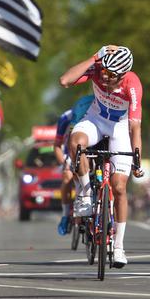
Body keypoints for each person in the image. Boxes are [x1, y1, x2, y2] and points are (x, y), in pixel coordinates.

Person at [59, 45, 144, 268]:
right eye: (103, 72)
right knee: (76, 142)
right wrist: (96, 56)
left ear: (123, 75)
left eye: (111, 76)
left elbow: (135, 127)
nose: (104, 78)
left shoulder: (132, 84)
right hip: (95, 119)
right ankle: (86, 193)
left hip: (120, 127)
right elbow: (65, 81)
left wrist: (137, 158)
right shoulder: (98, 68)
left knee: (119, 187)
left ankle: (118, 247)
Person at [53, 94, 95, 236]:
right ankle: (65, 215)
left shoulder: (99, 114)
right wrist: (65, 163)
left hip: (90, 147)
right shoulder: (65, 118)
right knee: (67, 176)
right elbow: (57, 146)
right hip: (68, 149)